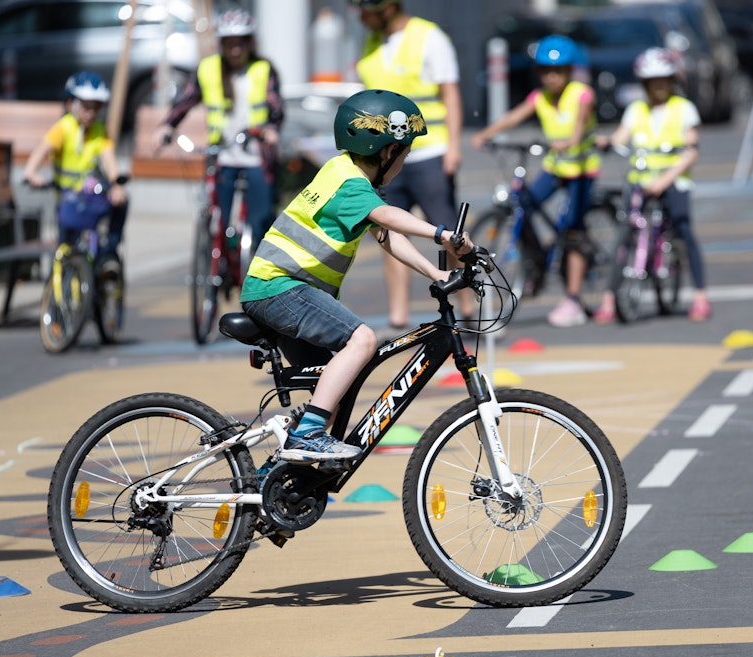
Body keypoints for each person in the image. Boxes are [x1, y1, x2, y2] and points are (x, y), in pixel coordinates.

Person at [240, 89, 473, 464]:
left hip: (280, 290)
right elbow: (388, 218)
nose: (406, 160)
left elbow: (386, 236)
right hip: (279, 288)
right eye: (405, 151)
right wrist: (443, 235)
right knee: (362, 341)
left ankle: (282, 478)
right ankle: (307, 435)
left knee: (335, 384)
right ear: (386, 151)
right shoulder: (350, 183)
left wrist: (436, 271)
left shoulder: (344, 174)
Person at [350, 0, 470, 330]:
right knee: (388, 232)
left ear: (386, 7)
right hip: (385, 156)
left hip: (429, 149)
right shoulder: (372, 41)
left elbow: (450, 93)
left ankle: (469, 305)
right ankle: (399, 315)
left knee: (447, 231)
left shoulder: (429, 36)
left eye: (365, 9)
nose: (360, 16)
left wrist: (454, 147)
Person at [471, 34, 600, 328]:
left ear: (569, 71)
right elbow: (514, 117)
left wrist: (572, 141)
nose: (551, 77)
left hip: (581, 169)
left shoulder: (582, 94)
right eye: (545, 71)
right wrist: (486, 133)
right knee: (523, 204)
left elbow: (581, 122)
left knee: (572, 231)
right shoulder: (540, 97)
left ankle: (574, 298)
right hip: (555, 167)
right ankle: (537, 263)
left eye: (557, 71)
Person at [594, 47, 710, 323]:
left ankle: (701, 295)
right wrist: (607, 142)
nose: (658, 86)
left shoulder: (684, 108)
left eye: (663, 80)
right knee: (626, 230)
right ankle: (610, 298)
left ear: (672, 81)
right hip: (641, 179)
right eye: (651, 81)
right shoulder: (637, 109)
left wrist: (665, 180)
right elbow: (621, 136)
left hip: (673, 179)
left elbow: (691, 151)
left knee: (683, 228)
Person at [151, 9, 283, 242]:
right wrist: (167, 126)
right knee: (216, 218)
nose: (235, 49)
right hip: (221, 156)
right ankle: (218, 265)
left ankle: (258, 268)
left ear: (249, 43)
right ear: (221, 44)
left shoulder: (263, 68)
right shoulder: (208, 69)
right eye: (229, 43)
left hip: (256, 156)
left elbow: (276, 108)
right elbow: (185, 102)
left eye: (240, 43)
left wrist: (271, 129)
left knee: (260, 220)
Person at [23, 71, 128, 269]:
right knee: (64, 250)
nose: (91, 114)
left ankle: (109, 255)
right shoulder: (63, 128)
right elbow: (42, 150)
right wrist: (31, 172)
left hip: (91, 196)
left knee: (121, 204)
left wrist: (116, 185)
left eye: (96, 108)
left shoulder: (99, 130)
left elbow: (109, 158)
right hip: (67, 198)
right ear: (71, 104)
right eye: (86, 107)